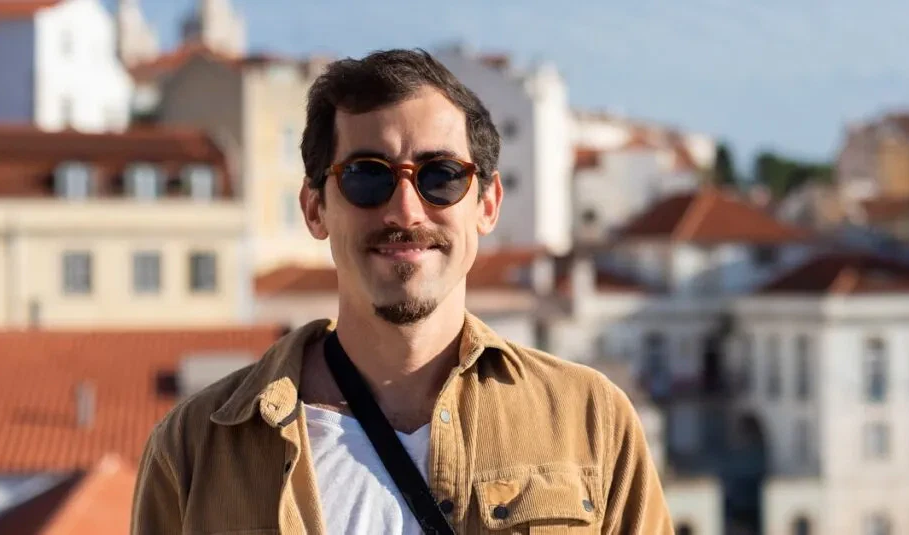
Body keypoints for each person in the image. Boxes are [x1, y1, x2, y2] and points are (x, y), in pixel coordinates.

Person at [131, 49, 672, 534]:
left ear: (487, 204)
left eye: (440, 176)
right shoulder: (194, 452)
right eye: (368, 176)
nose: (406, 211)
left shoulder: (590, 423)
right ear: (315, 208)